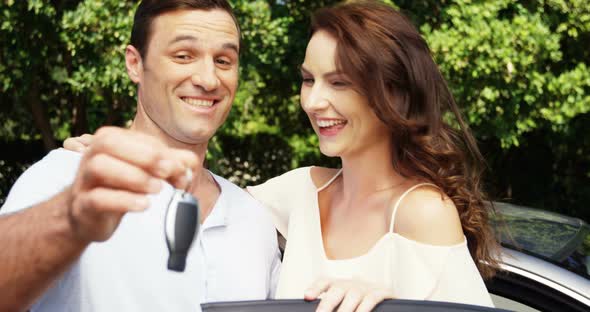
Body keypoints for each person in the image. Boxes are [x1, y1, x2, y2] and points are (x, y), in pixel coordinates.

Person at [65, 0, 502, 311]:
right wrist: (120, 151)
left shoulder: (423, 212)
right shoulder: (297, 192)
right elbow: (207, 198)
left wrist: (390, 305)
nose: (314, 102)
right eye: (309, 80)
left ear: (395, 93)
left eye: (340, 83)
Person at [0, 0, 280, 311]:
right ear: (135, 64)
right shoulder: (65, 178)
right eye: (183, 56)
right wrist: (70, 218)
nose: (208, 79)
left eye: (224, 61)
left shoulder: (254, 220)